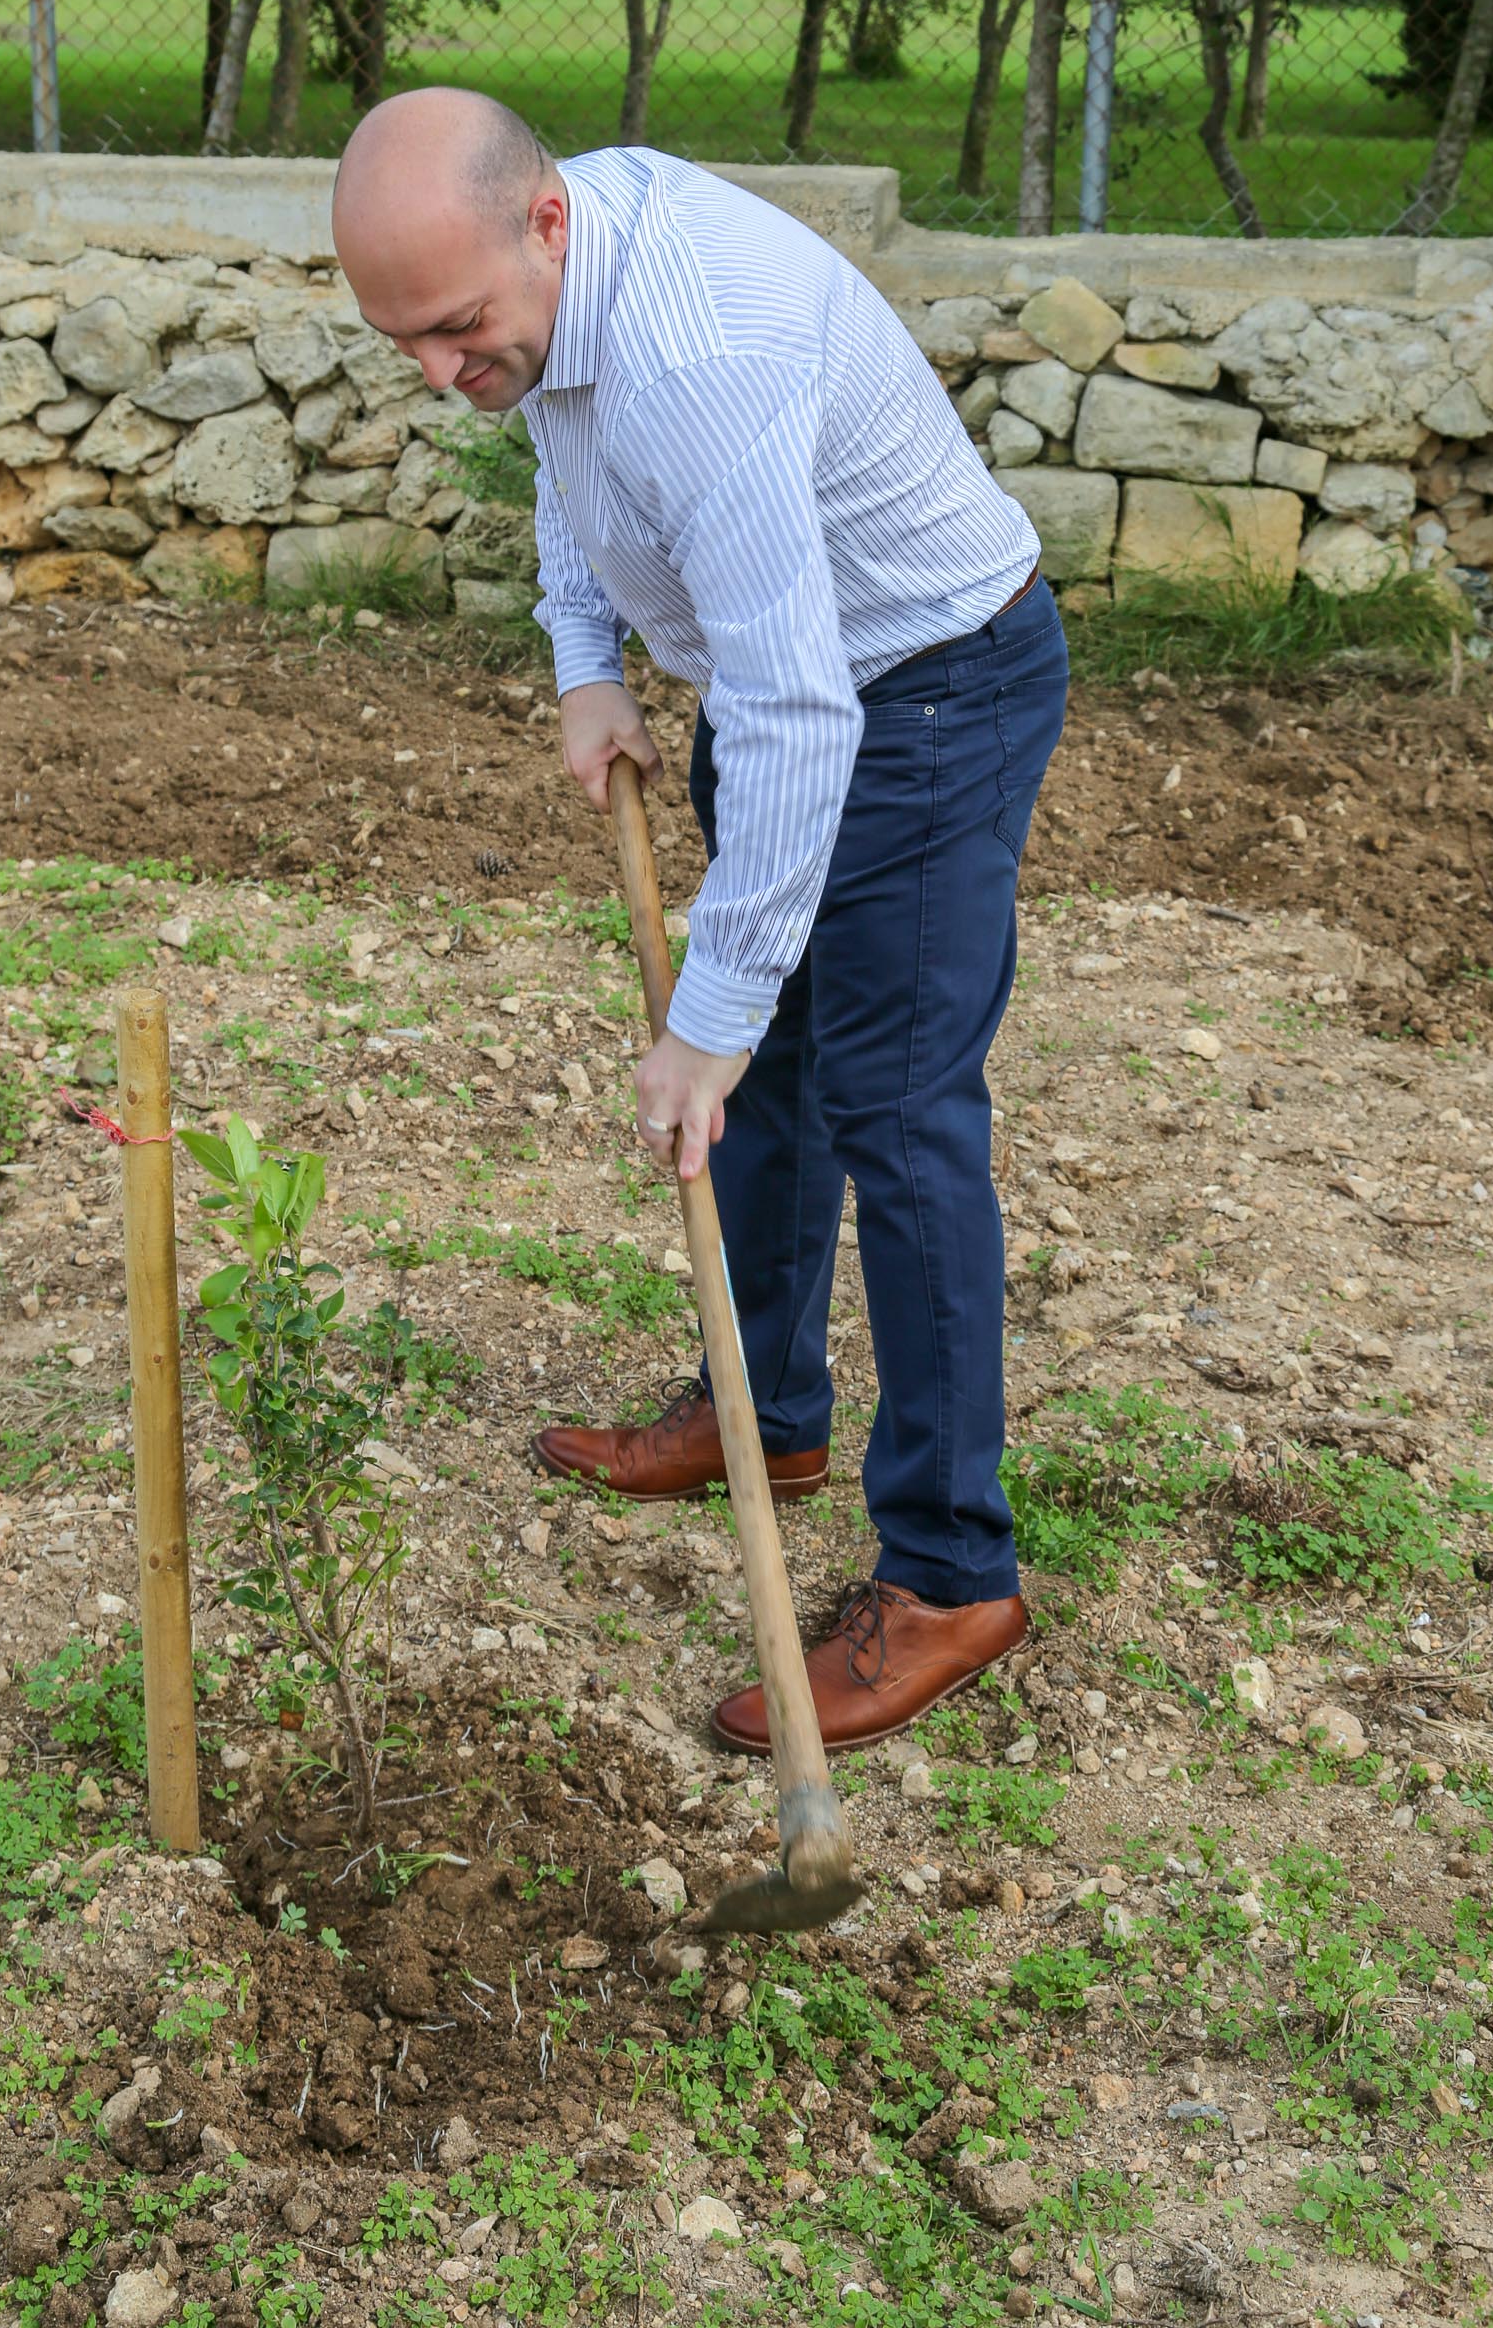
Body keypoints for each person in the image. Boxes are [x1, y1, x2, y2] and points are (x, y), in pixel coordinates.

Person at [331, 87, 1066, 1756]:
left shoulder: (696, 353)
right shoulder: (541, 284)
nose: (447, 372)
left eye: (455, 332)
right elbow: (563, 448)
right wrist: (589, 662)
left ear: (546, 227)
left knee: (891, 1107)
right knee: (776, 1077)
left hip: (926, 691)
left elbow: (812, 713)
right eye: (408, 347)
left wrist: (703, 1021)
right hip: (784, 678)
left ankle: (953, 1571)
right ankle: (770, 1417)